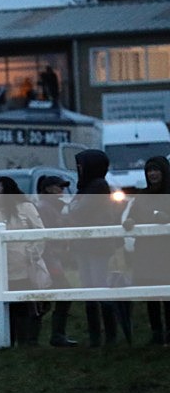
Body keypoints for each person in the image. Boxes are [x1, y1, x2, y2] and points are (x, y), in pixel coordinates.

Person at [0, 176, 45, 346]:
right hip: (0, 268)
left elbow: (40, 233)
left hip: (23, 267)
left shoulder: (25, 208)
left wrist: (31, 252)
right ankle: (8, 341)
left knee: (25, 305)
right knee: (6, 307)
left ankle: (27, 341)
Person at [66, 149, 119, 347]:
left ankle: (109, 336)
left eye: (81, 165)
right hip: (85, 245)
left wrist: (72, 210)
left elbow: (77, 210)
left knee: (98, 287)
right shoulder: (88, 187)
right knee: (89, 289)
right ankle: (96, 336)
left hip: (97, 246)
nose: (78, 169)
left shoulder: (98, 186)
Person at [123, 156, 170, 345]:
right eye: (149, 170)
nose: (152, 174)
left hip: (166, 251)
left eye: (156, 170)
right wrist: (130, 222)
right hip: (146, 251)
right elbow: (133, 216)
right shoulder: (141, 196)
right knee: (151, 292)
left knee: (167, 292)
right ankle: (156, 332)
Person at [35, 175, 78, 347]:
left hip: (51, 259)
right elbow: (48, 237)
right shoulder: (46, 208)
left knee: (46, 300)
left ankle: (34, 338)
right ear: (48, 189)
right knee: (63, 294)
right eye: (58, 186)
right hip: (50, 260)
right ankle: (56, 335)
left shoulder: (49, 207)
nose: (61, 189)